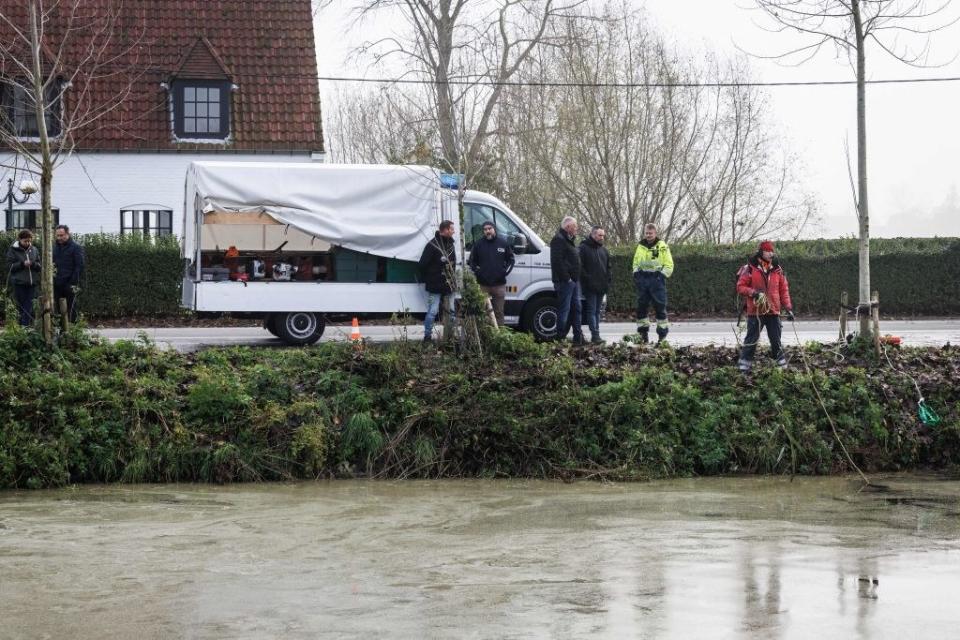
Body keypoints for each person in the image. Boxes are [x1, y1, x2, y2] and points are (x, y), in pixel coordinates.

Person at [736, 240, 794, 372]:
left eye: (772, 251)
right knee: (751, 340)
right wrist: (754, 293)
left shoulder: (778, 270)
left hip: (773, 311)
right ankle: (743, 368)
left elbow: (783, 290)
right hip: (755, 312)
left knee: (776, 340)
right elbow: (740, 287)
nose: (770, 253)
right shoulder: (749, 268)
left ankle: (782, 368)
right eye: (768, 251)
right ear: (761, 252)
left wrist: (788, 308)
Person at [631, 223, 674, 343]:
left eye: (651, 233)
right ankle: (643, 334)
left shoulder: (662, 246)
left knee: (660, 307)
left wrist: (661, 277)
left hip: (657, 279)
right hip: (643, 279)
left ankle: (662, 336)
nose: (648, 235)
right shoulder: (641, 245)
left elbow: (669, 264)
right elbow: (635, 261)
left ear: (655, 233)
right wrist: (636, 274)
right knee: (641, 307)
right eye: (647, 233)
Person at [468, 220, 514, 327]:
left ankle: (500, 337)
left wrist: (504, 273)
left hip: (499, 285)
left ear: (494, 229)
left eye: (490, 229)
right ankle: (486, 336)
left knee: (499, 312)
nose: (487, 231)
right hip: (483, 285)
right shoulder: (478, 244)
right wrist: (478, 272)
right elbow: (471, 261)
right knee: (483, 313)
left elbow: (511, 260)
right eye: (485, 229)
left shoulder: (503, 243)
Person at [418, 219, 456, 342]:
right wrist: (430, 278)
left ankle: (450, 337)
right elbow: (422, 265)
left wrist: (452, 279)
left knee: (452, 312)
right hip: (435, 285)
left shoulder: (451, 245)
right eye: (452, 229)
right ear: (445, 230)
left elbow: (453, 264)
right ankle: (427, 337)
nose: (454, 231)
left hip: (449, 284)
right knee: (433, 311)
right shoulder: (432, 245)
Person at [550, 216, 583, 344]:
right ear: (568, 227)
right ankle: (560, 339)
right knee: (564, 310)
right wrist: (567, 278)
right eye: (575, 226)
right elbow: (557, 261)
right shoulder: (558, 239)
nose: (577, 228)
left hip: (574, 281)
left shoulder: (569, 240)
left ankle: (577, 337)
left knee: (577, 309)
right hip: (565, 282)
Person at [578, 225, 611, 344]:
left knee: (597, 312)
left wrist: (607, 282)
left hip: (602, 286)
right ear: (593, 234)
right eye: (599, 235)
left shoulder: (604, 250)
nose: (602, 237)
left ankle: (596, 335)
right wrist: (587, 280)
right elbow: (580, 267)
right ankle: (595, 335)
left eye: (603, 235)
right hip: (590, 287)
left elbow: (608, 268)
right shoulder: (583, 248)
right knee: (591, 311)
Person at [6, 229, 42, 327]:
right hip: (19, 283)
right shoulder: (13, 250)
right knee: (21, 307)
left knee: (29, 306)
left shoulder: (34, 250)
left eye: (29, 241)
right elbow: (9, 266)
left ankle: (24, 327)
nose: (27, 243)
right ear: (20, 240)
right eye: (25, 241)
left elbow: (40, 266)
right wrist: (22, 264)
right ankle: (22, 328)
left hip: (32, 284)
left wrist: (34, 264)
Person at [53, 225, 85, 322]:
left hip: (69, 284)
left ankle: (72, 330)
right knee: (58, 309)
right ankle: (61, 331)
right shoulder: (54, 248)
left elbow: (79, 266)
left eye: (62, 235)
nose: (59, 238)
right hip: (57, 284)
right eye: (57, 235)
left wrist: (72, 283)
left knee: (71, 309)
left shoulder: (76, 247)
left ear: (68, 234)